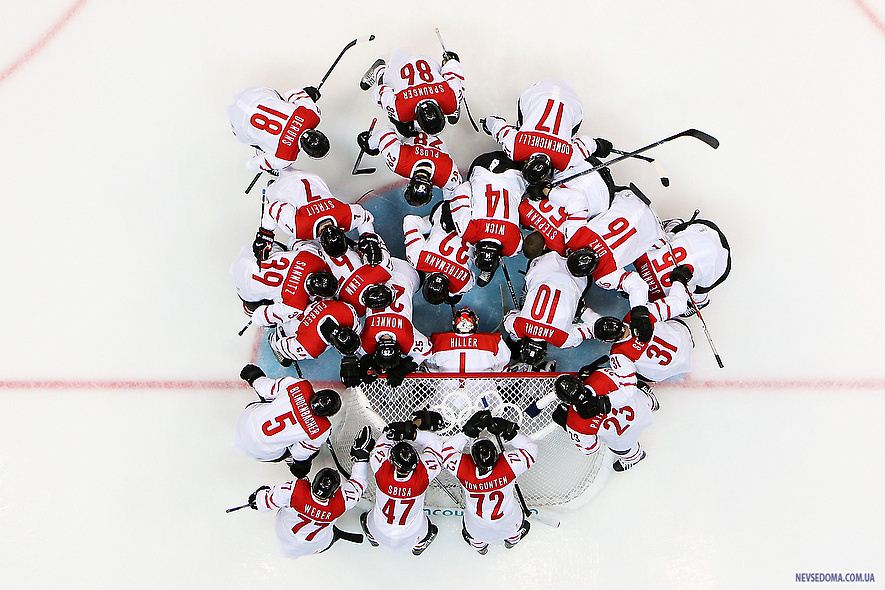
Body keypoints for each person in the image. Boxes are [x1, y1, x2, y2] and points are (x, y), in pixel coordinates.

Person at [245, 427, 373, 558]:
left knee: (294, 496)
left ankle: (333, 535)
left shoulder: (296, 491)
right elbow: (359, 484)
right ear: (334, 492)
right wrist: (361, 457)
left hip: (284, 532)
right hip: (317, 543)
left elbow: (264, 502)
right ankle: (334, 536)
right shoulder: (340, 503)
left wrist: (258, 498)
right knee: (328, 538)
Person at [442, 410, 538, 554]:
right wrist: (510, 433)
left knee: (475, 536)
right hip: (510, 523)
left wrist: (467, 432)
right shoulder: (508, 465)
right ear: (496, 455)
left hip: (476, 529)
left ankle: (481, 548)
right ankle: (512, 541)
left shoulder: (464, 469)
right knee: (514, 529)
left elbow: (446, 452)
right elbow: (532, 449)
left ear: (472, 459)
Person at [360, 412, 446, 555]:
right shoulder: (425, 472)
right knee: (432, 530)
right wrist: (413, 433)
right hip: (412, 535)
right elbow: (434, 442)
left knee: (364, 519)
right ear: (417, 462)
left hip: (379, 531)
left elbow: (389, 435)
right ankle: (418, 546)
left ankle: (373, 537)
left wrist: (408, 428)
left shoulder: (380, 466)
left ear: (391, 461)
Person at [234, 365, 341, 477]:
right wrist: (301, 466)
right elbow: (298, 454)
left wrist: (254, 377)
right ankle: (288, 459)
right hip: (259, 452)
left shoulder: (298, 385)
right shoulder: (322, 430)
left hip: (245, 421)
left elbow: (265, 388)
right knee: (312, 450)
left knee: (272, 397)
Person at [361, 50, 465, 136]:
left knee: (451, 101)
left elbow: (452, 71)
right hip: (398, 64)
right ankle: (379, 69)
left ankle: (450, 110)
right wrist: (450, 62)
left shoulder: (452, 98)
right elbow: (379, 92)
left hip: (426, 59)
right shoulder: (401, 111)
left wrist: (450, 61)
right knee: (403, 127)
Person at [228, 86, 328, 173]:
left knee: (288, 104)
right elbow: (251, 165)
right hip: (237, 123)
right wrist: (269, 167)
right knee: (268, 149)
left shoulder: (313, 115)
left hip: (253, 94)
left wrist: (309, 95)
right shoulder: (285, 158)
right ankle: (265, 153)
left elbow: (291, 93)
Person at [357, 126, 462, 205]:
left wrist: (370, 145)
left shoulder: (447, 174)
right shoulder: (398, 162)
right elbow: (385, 133)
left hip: (435, 127)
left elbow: (454, 194)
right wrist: (369, 143)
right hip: (417, 123)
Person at [425, 308, 510, 372]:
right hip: (484, 393)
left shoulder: (437, 340)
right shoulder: (494, 341)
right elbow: (502, 373)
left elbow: (430, 372)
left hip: (447, 394)